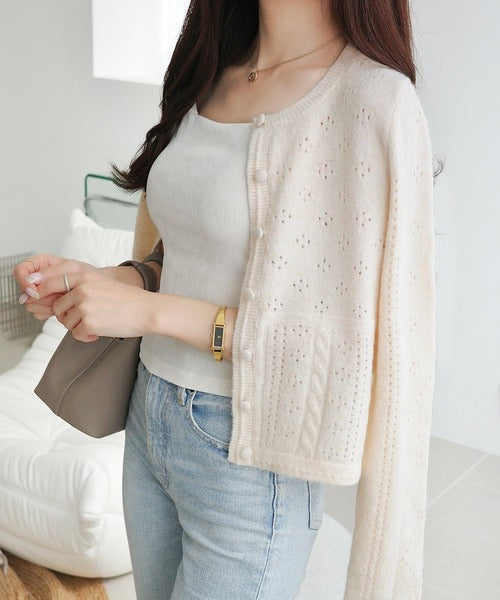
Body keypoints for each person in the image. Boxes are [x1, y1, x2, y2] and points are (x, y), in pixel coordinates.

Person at [14, 0, 441, 598]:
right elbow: (186, 257)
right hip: (149, 420)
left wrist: (148, 313)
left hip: (249, 459)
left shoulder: (372, 101)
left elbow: (344, 345)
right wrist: (110, 283)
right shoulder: (210, 70)